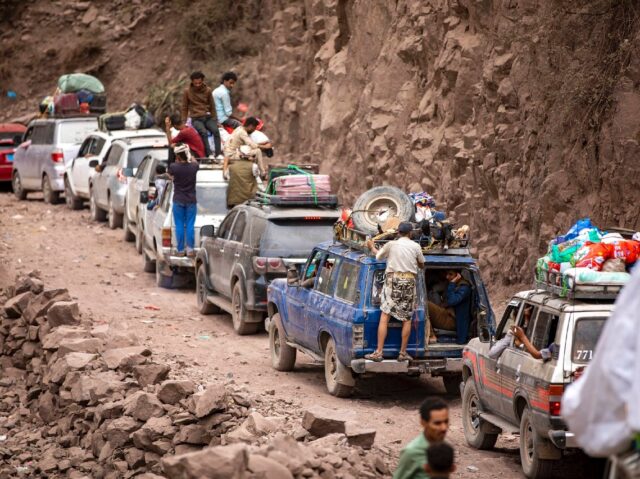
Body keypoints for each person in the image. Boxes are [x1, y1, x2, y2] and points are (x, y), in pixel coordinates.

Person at [365, 223, 425, 362]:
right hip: (409, 282)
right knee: (407, 319)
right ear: (410, 233)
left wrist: (372, 247)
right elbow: (422, 264)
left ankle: (379, 352)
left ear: (398, 232)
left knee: (385, 316)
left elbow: (378, 256)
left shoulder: (391, 245)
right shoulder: (416, 246)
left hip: (393, 281)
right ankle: (403, 353)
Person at [394, 397, 450, 479]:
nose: (444, 428)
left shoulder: (445, 448)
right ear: (423, 423)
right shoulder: (411, 453)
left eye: (446, 422)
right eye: (437, 423)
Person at [223, 117, 270, 208]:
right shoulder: (243, 133)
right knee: (257, 151)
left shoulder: (238, 128)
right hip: (233, 155)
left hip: (229, 153)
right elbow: (253, 145)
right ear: (250, 126)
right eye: (254, 128)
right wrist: (266, 147)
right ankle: (263, 173)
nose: (253, 131)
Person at [167, 144, 199, 258]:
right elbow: (194, 161)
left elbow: (169, 176)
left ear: (178, 156)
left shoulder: (174, 167)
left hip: (178, 199)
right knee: (190, 225)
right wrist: (189, 153)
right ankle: (190, 250)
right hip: (191, 200)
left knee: (179, 225)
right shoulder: (194, 166)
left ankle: (180, 250)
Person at [181, 71, 222, 160]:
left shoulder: (208, 90)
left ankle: (218, 154)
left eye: (200, 83)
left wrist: (215, 120)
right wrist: (184, 122)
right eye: (195, 83)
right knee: (203, 132)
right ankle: (209, 154)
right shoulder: (187, 91)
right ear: (192, 82)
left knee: (215, 130)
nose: (198, 85)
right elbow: (185, 107)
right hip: (196, 118)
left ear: (202, 81)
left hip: (207, 117)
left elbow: (212, 106)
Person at [426, 270, 472, 344]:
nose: (447, 277)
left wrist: (452, 284)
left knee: (426, 305)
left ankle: (431, 335)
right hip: (448, 315)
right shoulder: (455, 285)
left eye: (450, 274)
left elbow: (452, 301)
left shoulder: (464, 288)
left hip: (453, 321)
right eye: (447, 274)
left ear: (458, 275)